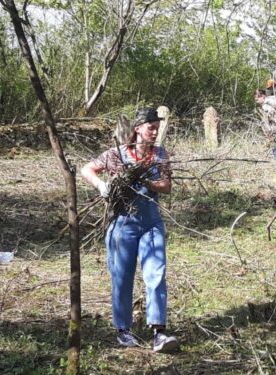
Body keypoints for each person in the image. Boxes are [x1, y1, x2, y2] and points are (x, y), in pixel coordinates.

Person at [80, 108, 179, 353]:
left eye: (157, 127)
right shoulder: (118, 154)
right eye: (151, 127)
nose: (155, 132)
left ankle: (159, 332)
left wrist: (146, 181)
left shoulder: (160, 154)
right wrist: (102, 185)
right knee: (122, 277)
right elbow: (86, 169)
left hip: (151, 222)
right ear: (137, 128)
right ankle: (123, 330)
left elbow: (166, 186)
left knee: (156, 274)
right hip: (123, 224)